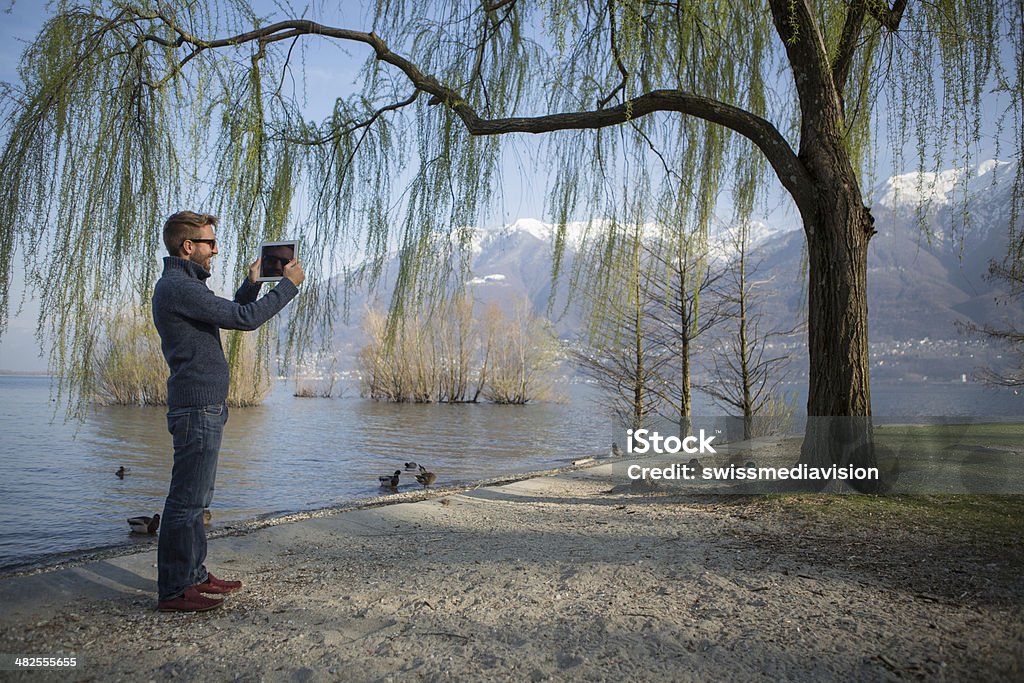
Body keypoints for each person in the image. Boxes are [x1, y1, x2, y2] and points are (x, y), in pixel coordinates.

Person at [151, 211, 305, 612]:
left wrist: (251, 285)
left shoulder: (185, 287)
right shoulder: (177, 288)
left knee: (198, 500)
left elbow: (231, 309)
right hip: (196, 407)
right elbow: (244, 320)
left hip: (205, 405)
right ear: (188, 247)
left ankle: (194, 575)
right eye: (210, 243)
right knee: (185, 501)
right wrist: (287, 286)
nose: (216, 250)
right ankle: (173, 589)